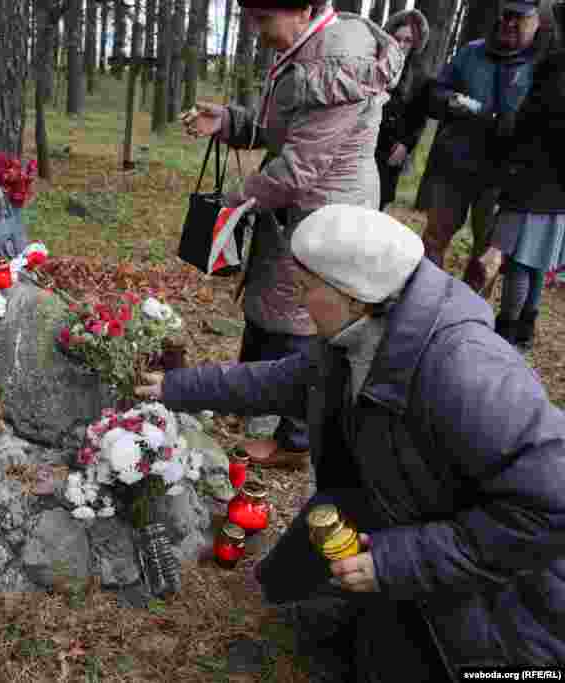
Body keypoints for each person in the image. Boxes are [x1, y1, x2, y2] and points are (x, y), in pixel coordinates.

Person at [137, 204, 565, 681]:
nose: (298, 303)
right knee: (295, 602)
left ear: (356, 298)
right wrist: (179, 388)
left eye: (305, 289)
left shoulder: (466, 371)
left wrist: (397, 560)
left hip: (493, 590)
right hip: (390, 513)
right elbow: (286, 381)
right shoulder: (359, 329)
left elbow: (551, 507)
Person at [179, 0, 403, 468]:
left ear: (304, 9)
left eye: (263, 19)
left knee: (308, 323)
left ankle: (296, 442)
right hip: (297, 210)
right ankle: (256, 403)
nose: (255, 31)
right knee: (274, 310)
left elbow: (298, 168)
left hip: (326, 216)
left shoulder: (336, 64)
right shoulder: (307, 47)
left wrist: (236, 199)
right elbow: (283, 130)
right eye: (250, 17)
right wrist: (230, 122)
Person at [416, 0, 545, 293]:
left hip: (501, 175)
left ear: (535, 22)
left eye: (519, 18)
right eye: (506, 16)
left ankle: (465, 315)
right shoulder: (471, 52)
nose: (509, 23)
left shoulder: (539, 65)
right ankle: (423, 300)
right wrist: (451, 101)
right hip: (456, 164)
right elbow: (437, 90)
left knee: (485, 252)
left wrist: (514, 124)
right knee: (434, 238)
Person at [490, 0, 565, 350]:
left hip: (532, 179)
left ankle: (506, 336)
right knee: (536, 265)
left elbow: (535, 121)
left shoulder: (554, 68)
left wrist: (512, 129)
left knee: (519, 261)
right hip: (555, 188)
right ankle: (523, 335)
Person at [376, 8, 431, 212]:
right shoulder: (374, 61)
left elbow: (419, 116)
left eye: (408, 40)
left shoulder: (420, 75)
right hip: (364, 139)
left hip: (391, 147)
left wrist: (406, 145)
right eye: (397, 38)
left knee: (378, 199)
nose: (401, 44)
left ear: (416, 43)